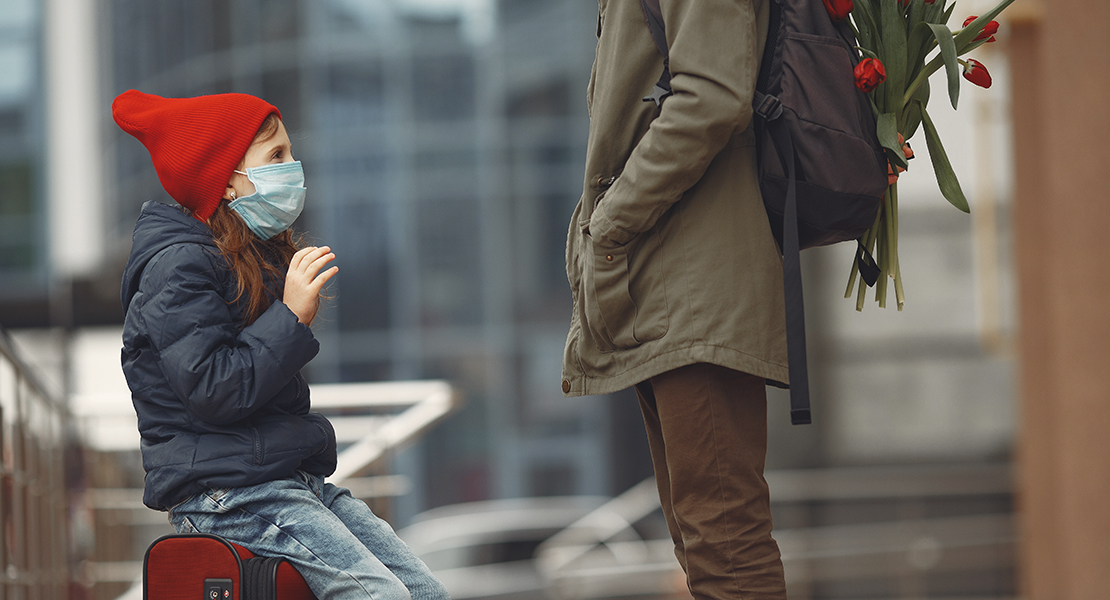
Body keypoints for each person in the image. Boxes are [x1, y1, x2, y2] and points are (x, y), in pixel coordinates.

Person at [115, 90, 448, 600]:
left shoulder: (249, 256)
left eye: (290, 154)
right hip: (229, 495)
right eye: (276, 157)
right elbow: (215, 389)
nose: (293, 168)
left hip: (286, 481)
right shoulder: (178, 266)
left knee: (424, 591)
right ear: (227, 181)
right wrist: (290, 317)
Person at [560, 1, 790, 598]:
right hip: (664, 273)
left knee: (725, 544)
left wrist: (609, 225)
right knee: (704, 542)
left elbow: (712, 96)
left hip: (693, 277)